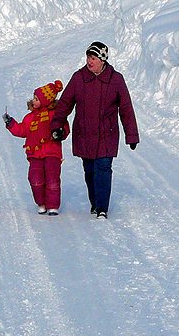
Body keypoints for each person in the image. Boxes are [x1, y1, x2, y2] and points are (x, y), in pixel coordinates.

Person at [53, 41, 139, 219]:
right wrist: (56, 125)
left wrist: (132, 135)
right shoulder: (79, 78)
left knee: (103, 168)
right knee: (90, 170)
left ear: (103, 60)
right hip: (84, 133)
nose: (89, 61)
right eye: (88, 57)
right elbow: (65, 104)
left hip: (106, 134)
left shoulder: (116, 80)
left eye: (93, 58)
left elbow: (126, 109)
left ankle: (102, 208)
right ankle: (94, 202)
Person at [3, 79, 69, 216]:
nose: (33, 100)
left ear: (45, 101)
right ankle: (41, 203)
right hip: (34, 153)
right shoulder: (29, 118)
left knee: (52, 179)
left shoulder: (55, 115)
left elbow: (64, 128)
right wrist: (11, 123)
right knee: (35, 179)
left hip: (52, 152)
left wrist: (60, 133)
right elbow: (22, 130)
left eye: (37, 98)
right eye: (34, 97)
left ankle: (53, 206)